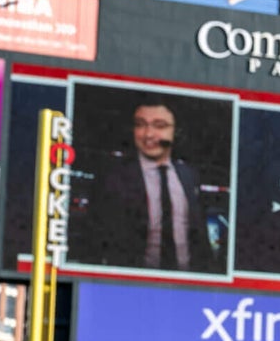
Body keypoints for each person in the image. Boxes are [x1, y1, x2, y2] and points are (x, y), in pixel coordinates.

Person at [77, 95, 216, 271]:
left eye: (160, 126)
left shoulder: (189, 176)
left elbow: (200, 238)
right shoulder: (112, 178)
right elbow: (93, 243)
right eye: (140, 124)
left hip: (186, 285)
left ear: (176, 132)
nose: (148, 134)